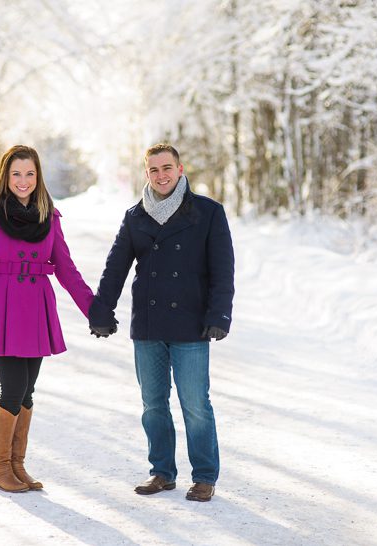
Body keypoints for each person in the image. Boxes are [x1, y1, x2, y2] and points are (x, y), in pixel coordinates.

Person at [89, 143, 234, 502]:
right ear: (146, 174)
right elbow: (115, 269)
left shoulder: (207, 212)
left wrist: (219, 315)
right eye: (153, 170)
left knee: (195, 404)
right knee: (153, 403)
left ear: (180, 169)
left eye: (167, 168)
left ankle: (203, 475)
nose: (161, 175)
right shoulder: (135, 216)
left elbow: (223, 270)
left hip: (192, 325)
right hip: (149, 325)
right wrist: (101, 311)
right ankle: (162, 472)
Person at [0, 145, 94, 493]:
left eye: (30, 174)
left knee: (28, 391)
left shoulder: (49, 216)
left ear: (39, 177)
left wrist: (93, 309)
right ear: (6, 176)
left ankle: (17, 466)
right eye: (16, 173)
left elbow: (66, 268)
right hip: (1, 309)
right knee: (13, 387)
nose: (23, 181)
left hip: (36, 307)